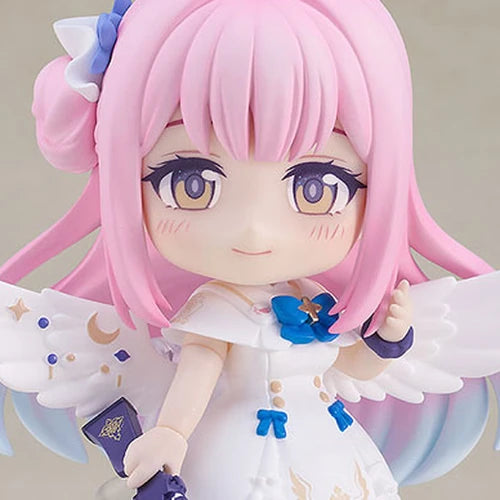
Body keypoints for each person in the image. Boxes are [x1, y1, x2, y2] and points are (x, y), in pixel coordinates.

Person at [0, 0, 498, 498]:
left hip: (324, 446)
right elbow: (197, 373)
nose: (255, 230)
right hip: (238, 453)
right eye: (191, 183)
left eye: (317, 188)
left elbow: (347, 368)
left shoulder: (313, 299)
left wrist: (387, 341)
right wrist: (170, 434)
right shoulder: (218, 310)